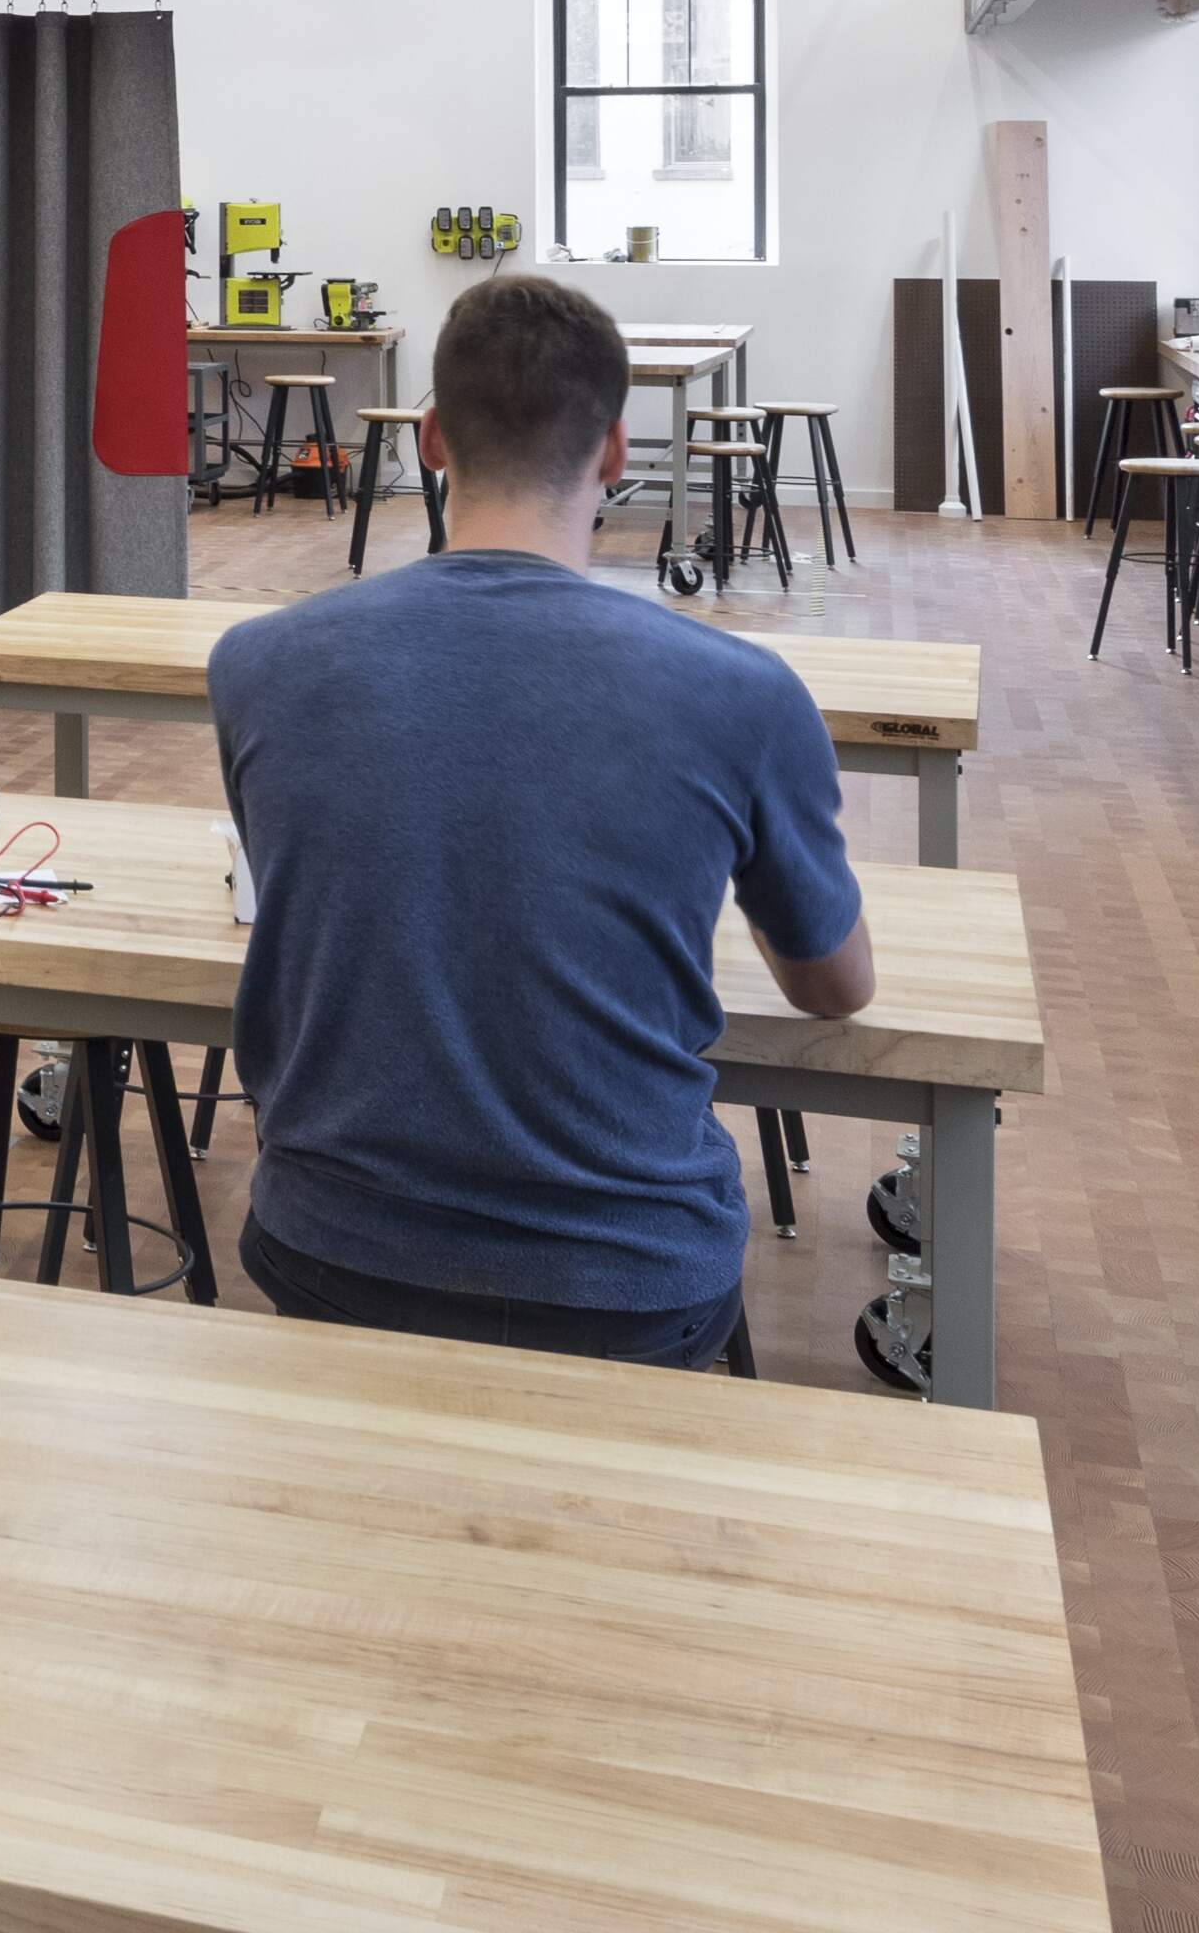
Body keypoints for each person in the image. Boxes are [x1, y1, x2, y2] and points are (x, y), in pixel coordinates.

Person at [209, 272, 874, 1371]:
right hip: (627, 1277)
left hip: (332, 1249)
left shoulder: (259, 665)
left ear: (427, 438)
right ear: (616, 451)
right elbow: (835, 988)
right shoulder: (742, 694)